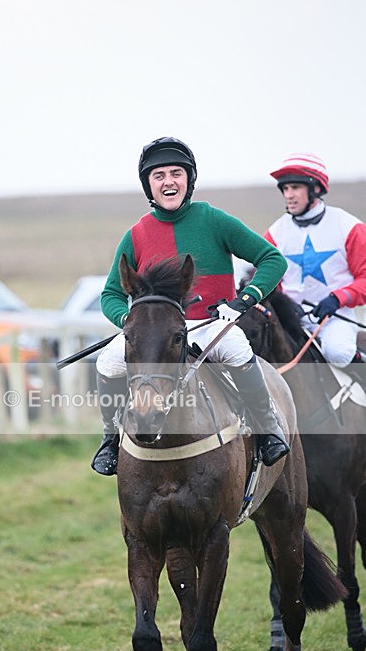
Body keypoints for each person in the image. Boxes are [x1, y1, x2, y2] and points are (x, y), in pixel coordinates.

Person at [91, 136, 290, 476]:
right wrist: (131, 320)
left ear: (189, 179)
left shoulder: (214, 220)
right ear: (149, 186)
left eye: (176, 173)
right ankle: (111, 440)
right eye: (159, 176)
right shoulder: (136, 234)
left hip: (212, 324)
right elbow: (110, 294)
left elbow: (272, 259)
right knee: (108, 362)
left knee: (239, 349)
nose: (168, 181)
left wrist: (244, 300)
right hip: (158, 333)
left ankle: (267, 429)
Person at [264, 153, 366, 385]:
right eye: (285, 188)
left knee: (337, 351)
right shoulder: (275, 233)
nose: (289, 195)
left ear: (316, 189)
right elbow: (270, 282)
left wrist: (338, 298)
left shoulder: (349, 227)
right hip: (292, 320)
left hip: (334, 316)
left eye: (295, 188)